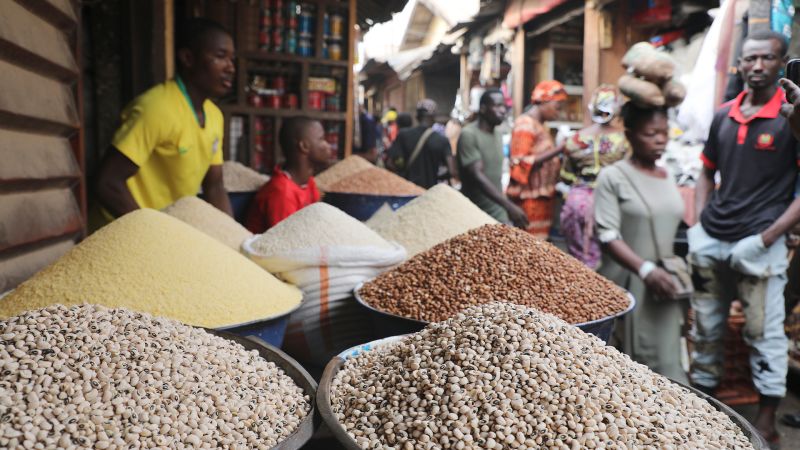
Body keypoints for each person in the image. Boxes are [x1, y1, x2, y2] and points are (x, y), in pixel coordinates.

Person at [689, 31, 800, 445]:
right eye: (750, 58)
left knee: (763, 332)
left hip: (759, 243)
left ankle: (767, 424)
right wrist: (699, 221)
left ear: (781, 62)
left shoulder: (789, 117)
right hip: (713, 238)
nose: (756, 66)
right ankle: (701, 407)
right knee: (707, 325)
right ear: (740, 63)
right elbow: (705, 170)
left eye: (766, 59)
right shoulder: (723, 115)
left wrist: (769, 237)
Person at [94, 18, 235, 224]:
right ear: (188, 58)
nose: (230, 67)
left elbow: (214, 186)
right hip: (125, 232)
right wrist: (151, 232)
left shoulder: (214, 117)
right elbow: (107, 183)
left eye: (232, 59)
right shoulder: (156, 108)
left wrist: (235, 238)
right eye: (221, 56)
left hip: (167, 231)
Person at [594, 102, 685, 382]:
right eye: (650, 133)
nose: (660, 139)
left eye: (664, 132)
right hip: (629, 283)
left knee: (668, 366)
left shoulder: (668, 174)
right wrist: (645, 270)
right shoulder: (613, 177)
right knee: (628, 373)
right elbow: (607, 235)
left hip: (664, 285)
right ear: (630, 135)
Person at [560, 85, 630, 268]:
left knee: (579, 258)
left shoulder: (575, 139)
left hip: (578, 201)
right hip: (611, 201)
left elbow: (566, 176)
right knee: (611, 257)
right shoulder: (625, 140)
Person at [245, 117, 331, 232]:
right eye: (322, 139)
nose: (328, 145)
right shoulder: (282, 192)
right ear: (304, 146)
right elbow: (286, 242)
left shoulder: (307, 182)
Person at [506, 80, 568, 239]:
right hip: (529, 200)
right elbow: (520, 163)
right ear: (544, 102)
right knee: (530, 251)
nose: (558, 112)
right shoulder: (525, 124)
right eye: (557, 107)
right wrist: (559, 149)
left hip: (541, 200)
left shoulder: (539, 125)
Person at [457, 89, 528, 227]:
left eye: (504, 106)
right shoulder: (469, 135)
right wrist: (509, 205)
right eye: (497, 106)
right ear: (483, 109)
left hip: (497, 211)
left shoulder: (498, 133)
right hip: (475, 212)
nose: (503, 111)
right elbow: (477, 176)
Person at [386, 99, 456, 189]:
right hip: (430, 192)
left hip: (407, 191)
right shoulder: (442, 140)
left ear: (417, 117)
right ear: (434, 117)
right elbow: (452, 171)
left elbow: (390, 163)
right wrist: (433, 175)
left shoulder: (403, 135)